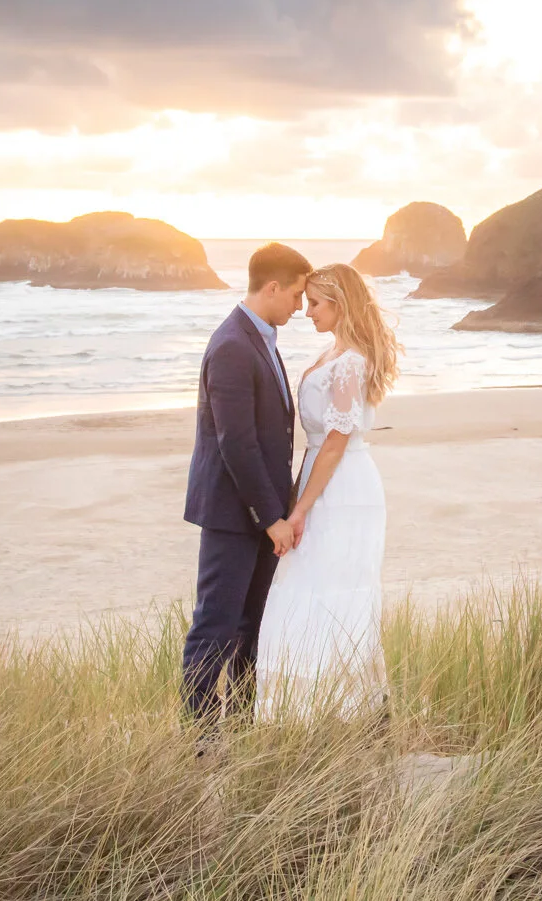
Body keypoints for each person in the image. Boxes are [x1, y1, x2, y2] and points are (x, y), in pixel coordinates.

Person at [255, 261, 400, 719]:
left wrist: (298, 511)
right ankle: (313, 708)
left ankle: (342, 708)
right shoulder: (334, 354)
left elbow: (335, 442)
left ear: (340, 304)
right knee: (307, 584)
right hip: (324, 479)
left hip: (343, 488)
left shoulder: (351, 361)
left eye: (315, 303)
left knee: (331, 587)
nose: (307, 311)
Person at [180, 241, 312, 730]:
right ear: (272, 287)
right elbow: (236, 443)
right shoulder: (233, 344)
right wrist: (271, 518)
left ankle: (239, 725)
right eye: (296, 296)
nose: (299, 307)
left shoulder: (259, 338)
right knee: (214, 626)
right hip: (233, 515)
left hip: (258, 514)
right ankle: (198, 737)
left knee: (249, 627)